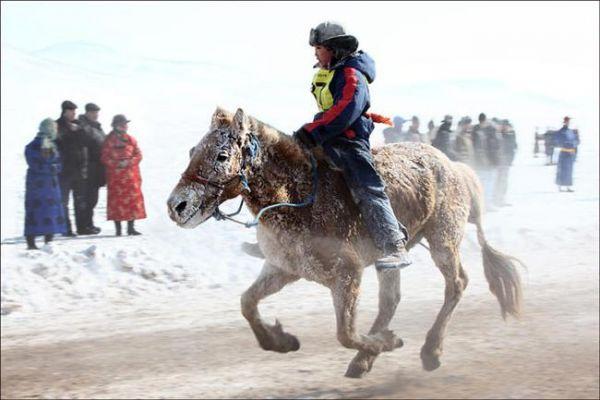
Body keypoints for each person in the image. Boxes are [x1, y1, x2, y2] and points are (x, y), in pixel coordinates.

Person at [293, 21, 410, 269]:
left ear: (334, 49)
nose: (315, 52)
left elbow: (345, 111)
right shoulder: (330, 71)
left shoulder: (350, 75)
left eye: (319, 47)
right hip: (328, 137)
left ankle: (394, 246)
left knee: (367, 189)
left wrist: (313, 132)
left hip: (349, 142)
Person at [24, 118, 67, 249]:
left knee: (51, 212)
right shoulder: (33, 146)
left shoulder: (52, 145)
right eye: (54, 128)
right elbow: (35, 164)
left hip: (51, 185)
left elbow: (58, 162)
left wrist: (56, 167)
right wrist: (51, 168)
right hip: (38, 185)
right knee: (37, 211)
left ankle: (49, 240)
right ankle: (31, 242)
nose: (56, 131)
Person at [101, 114, 146, 235]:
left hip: (131, 178)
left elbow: (138, 154)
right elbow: (104, 157)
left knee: (132, 202)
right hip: (116, 179)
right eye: (123, 124)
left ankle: (131, 228)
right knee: (116, 203)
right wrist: (117, 164)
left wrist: (130, 161)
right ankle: (118, 229)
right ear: (116, 125)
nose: (125, 126)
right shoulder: (109, 140)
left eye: (126, 124)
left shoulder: (131, 139)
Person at [55, 100, 89, 236]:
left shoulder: (79, 125)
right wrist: (68, 130)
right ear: (65, 111)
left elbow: (86, 140)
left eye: (75, 111)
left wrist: (79, 130)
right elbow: (57, 141)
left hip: (78, 169)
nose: (74, 114)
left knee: (80, 200)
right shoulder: (57, 124)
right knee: (64, 201)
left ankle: (81, 228)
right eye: (72, 111)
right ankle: (66, 229)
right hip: (64, 170)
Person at [78, 102, 106, 234]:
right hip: (87, 168)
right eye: (94, 113)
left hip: (97, 169)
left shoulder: (97, 127)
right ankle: (84, 227)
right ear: (87, 112)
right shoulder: (82, 125)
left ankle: (89, 224)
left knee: (93, 200)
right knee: (87, 199)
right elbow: (87, 141)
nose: (96, 115)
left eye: (97, 113)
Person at [472, 112, 500, 209]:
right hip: (486, 163)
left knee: (483, 184)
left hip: (482, 162)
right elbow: (489, 148)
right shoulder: (485, 132)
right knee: (487, 184)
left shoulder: (476, 131)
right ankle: (486, 204)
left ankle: (482, 204)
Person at [494, 119, 517, 206]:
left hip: (506, 161)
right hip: (499, 161)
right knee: (498, 180)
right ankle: (496, 199)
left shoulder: (511, 135)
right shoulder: (498, 135)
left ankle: (501, 198)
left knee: (503, 181)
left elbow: (513, 146)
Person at [554, 116, 579, 192]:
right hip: (564, 153)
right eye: (566, 121)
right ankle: (560, 186)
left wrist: (574, 144)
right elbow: (558, 141)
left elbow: (576, 140)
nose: (567, 123)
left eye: (568, 121)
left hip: (570, 153)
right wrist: (567, 144)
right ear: (564, 122)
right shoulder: (560, 132)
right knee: (562, 169)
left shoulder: (571, 132)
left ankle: (568, 186)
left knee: (569, 171)